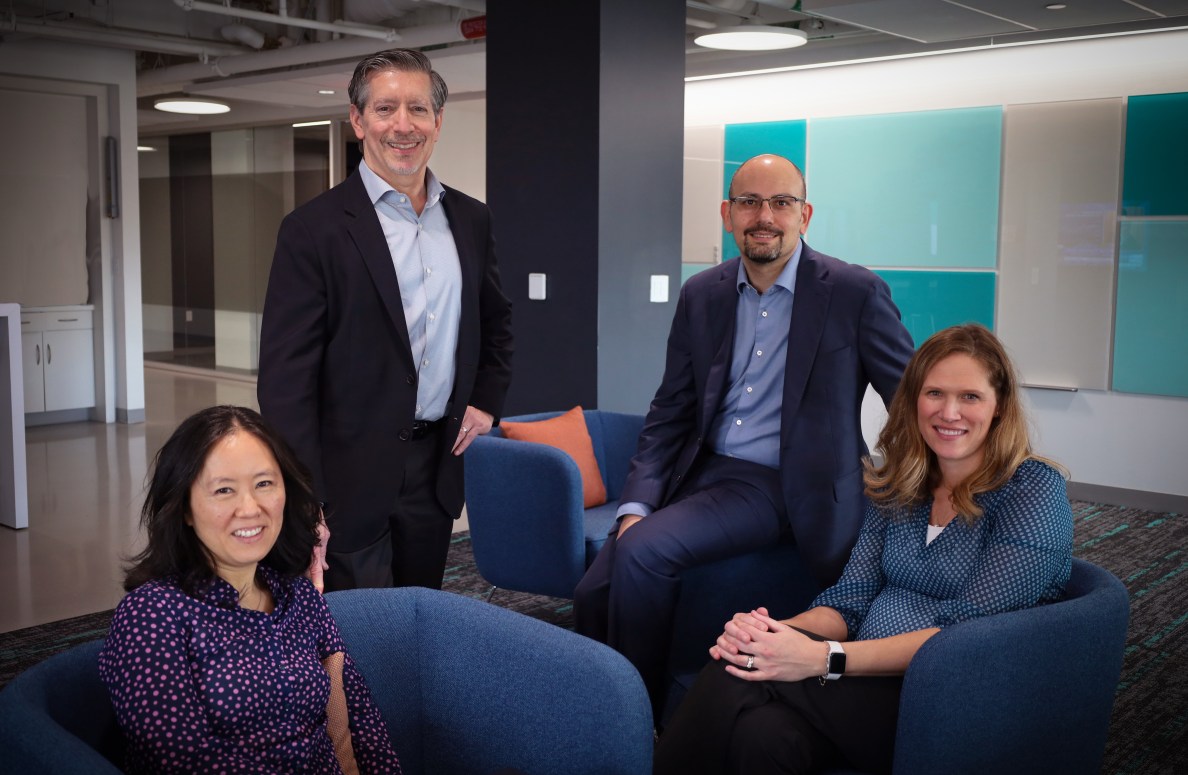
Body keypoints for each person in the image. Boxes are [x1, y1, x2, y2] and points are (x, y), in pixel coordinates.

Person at [573, 153, 915, 712]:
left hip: (782, 482)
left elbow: (909, 396)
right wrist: (636, 502)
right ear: (728, 214)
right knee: (595, 585)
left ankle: (638, 719)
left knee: (644, 554)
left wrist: (918, 484)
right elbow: (672, 408)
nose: (765, 216)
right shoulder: (702, 293)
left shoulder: (853, 292)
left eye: (781, 203)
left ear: (804, 216)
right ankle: (593, 705)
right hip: (702, 470)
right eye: (751, 202)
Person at [653, 324, 1075, 775]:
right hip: (859, 679)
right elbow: (849, 601)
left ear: (998, 408)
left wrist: (824, 658)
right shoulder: (902, 484)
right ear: (913, 399)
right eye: (934, 393)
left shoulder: (1032, 491)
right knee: (765, 731)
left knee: (733, 671)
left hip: (952, 701)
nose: (949, 411)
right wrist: (776, 634)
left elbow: (966, 637)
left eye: (970, 396)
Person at [258, 48, 514, 593]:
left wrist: (487, 401)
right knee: (354, 633)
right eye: (385, 109)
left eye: (418, 109)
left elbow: (496, 321)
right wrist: (305, 494)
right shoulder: (313, 229)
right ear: (357, 120)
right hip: (347, 474)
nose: (403, 125)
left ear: (438, 122)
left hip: (437, 465)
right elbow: (285, 382)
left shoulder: (471, 219)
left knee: (420, 614)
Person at [98, 406, 400, 774]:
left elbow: (358, 715)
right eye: (224, 490)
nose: (250, 508)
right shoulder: (151, 615)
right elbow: (184, 759)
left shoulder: (299, 597)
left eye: (264, 484)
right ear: (184, 508)